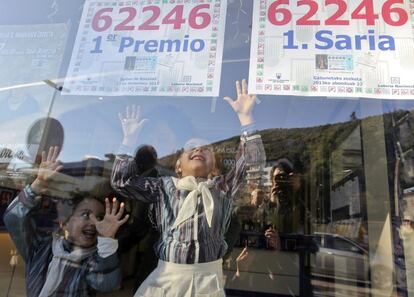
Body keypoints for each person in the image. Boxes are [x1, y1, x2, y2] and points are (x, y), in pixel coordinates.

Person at [111, 79, 266, 296]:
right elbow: (122, 182)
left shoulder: (222, 188)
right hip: (166, 276)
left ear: (214, 167)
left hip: (208, 278)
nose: (198, 149)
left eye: (206, 149)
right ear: (178, 166)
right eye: (190, 147)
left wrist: (246, 119)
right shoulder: (163, 187)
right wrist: (128, 141)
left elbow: (253, 164)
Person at [4, 146, 129, 297]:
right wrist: (37, 186)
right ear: (64, 223)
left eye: (100, 217)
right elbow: (13, 219)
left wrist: (107, 241)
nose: (94, 222)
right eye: (85, 214)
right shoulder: (42, 249)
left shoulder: (93, 260)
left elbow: (107, 284)